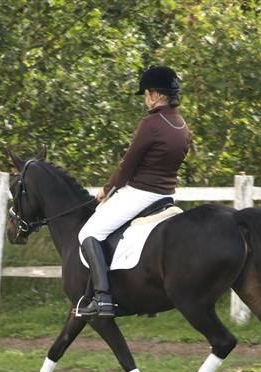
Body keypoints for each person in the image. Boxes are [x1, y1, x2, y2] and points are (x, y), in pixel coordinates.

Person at [76, 65, 191, 318]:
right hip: (166, 196)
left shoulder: (151, 123)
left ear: (156, 94)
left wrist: (107, 190)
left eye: (147, 94)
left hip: (140, 193)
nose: (146, 100)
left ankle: (102, 298)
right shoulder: (181, 124)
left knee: (89, 233)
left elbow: (129, 164)